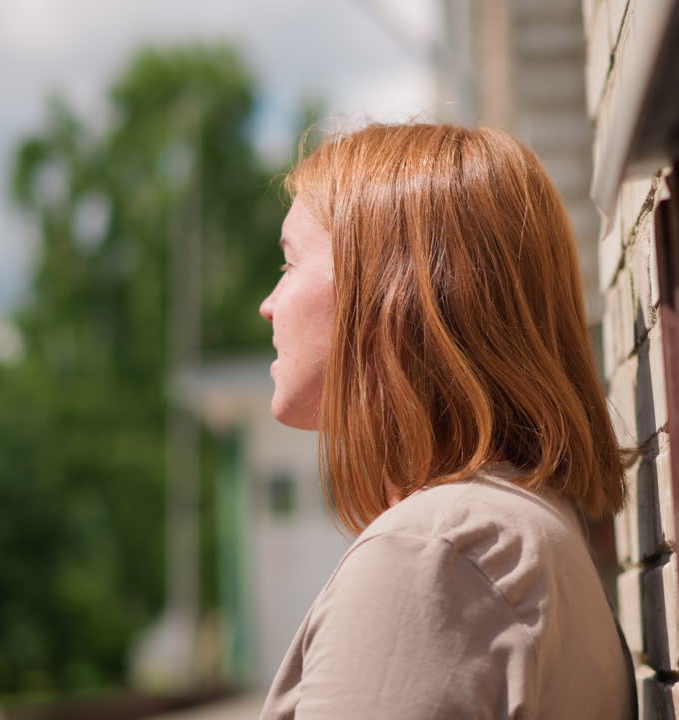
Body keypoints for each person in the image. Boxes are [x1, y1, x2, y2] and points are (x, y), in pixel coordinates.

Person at [257, 122, 635, 719]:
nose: (268, 305)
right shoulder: (519, 527)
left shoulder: (429, 557)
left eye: (289, 263)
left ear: (390, 288)